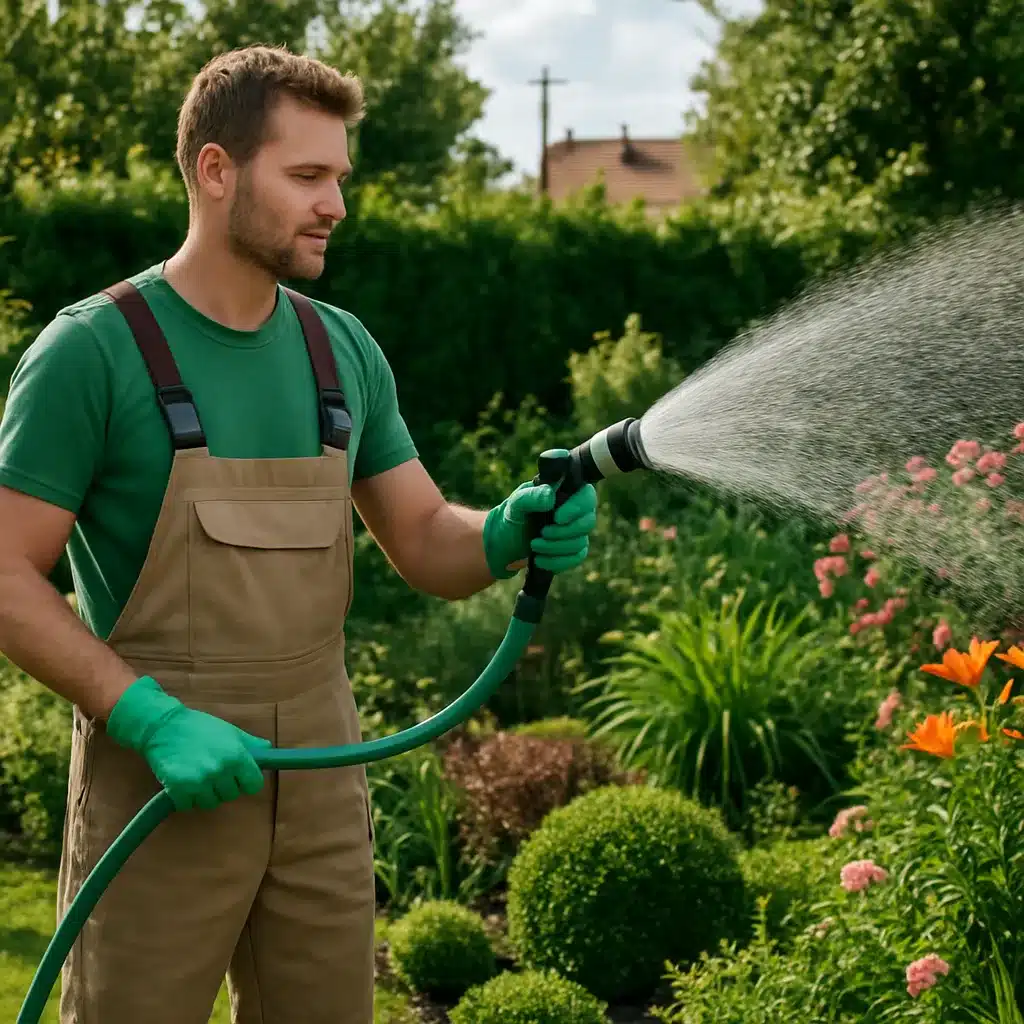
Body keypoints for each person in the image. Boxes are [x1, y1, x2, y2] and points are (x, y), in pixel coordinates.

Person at [0, 43, 599, 1024]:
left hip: (322, 783)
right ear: (216, 170)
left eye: (340, 178)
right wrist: (148, 717)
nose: (337, 205)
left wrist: (502, 532)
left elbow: (424, 541)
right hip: (161, 780)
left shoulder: (342, 350)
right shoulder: (93, 353)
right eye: (308, 175)